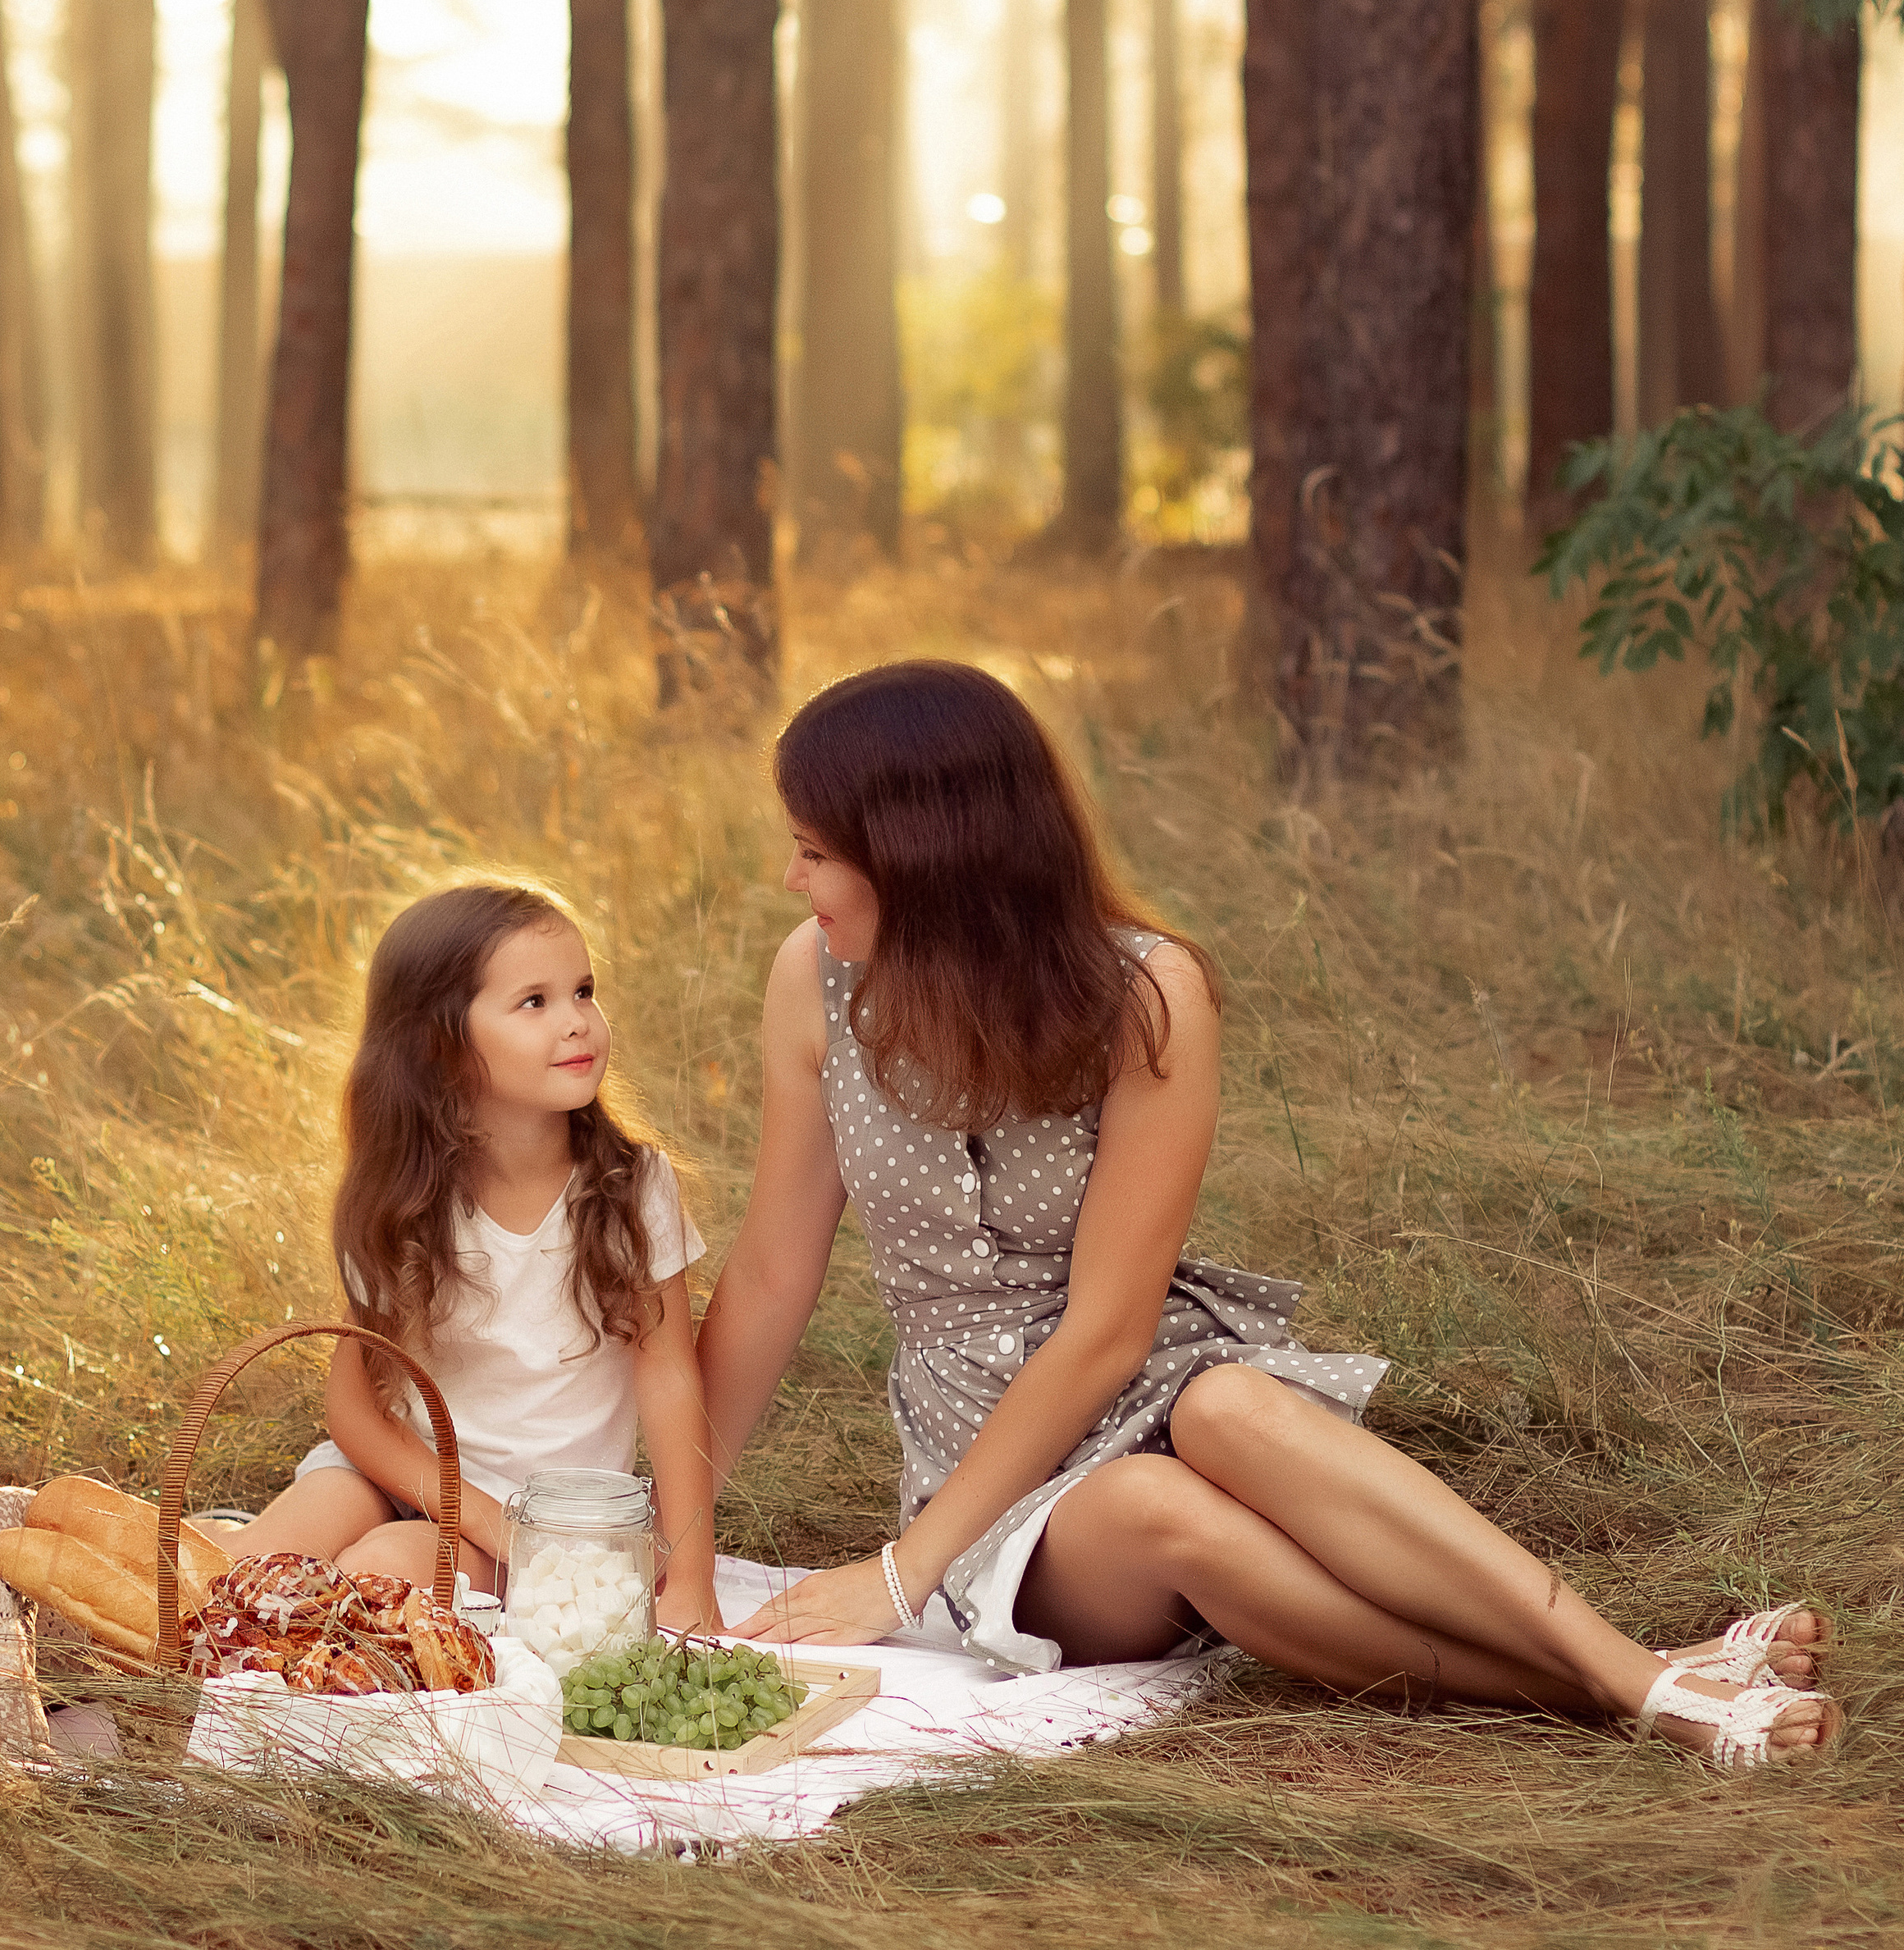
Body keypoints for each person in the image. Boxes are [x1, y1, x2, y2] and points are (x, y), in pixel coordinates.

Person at [696, 661, 1838, 1767]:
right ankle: (1635, 1679)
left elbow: (1109, 1331)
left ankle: (1631, 1678)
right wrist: (674, 1525)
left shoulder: (1146, 995)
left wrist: (890, 1581)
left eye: (813, 853)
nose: (793, 881)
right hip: (981, 1470)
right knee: (1155, 1507)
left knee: (1232, 1403)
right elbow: (769, 1277)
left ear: (925, 859)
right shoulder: (817, 981)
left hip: (1140, 1379)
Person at [234, 879, 723, 1633]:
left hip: (537, 1529)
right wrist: (474, 1511)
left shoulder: (633, 1190)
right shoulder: (400, 1197)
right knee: (255, 1567)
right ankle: (132, 1618)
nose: (579, 1023)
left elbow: (669, 1378)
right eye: (535, 1002)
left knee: (376, 1577)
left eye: (584, 992)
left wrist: (691, 1576)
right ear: (442, 1046)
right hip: (401, 1471)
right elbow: (354, 1405)